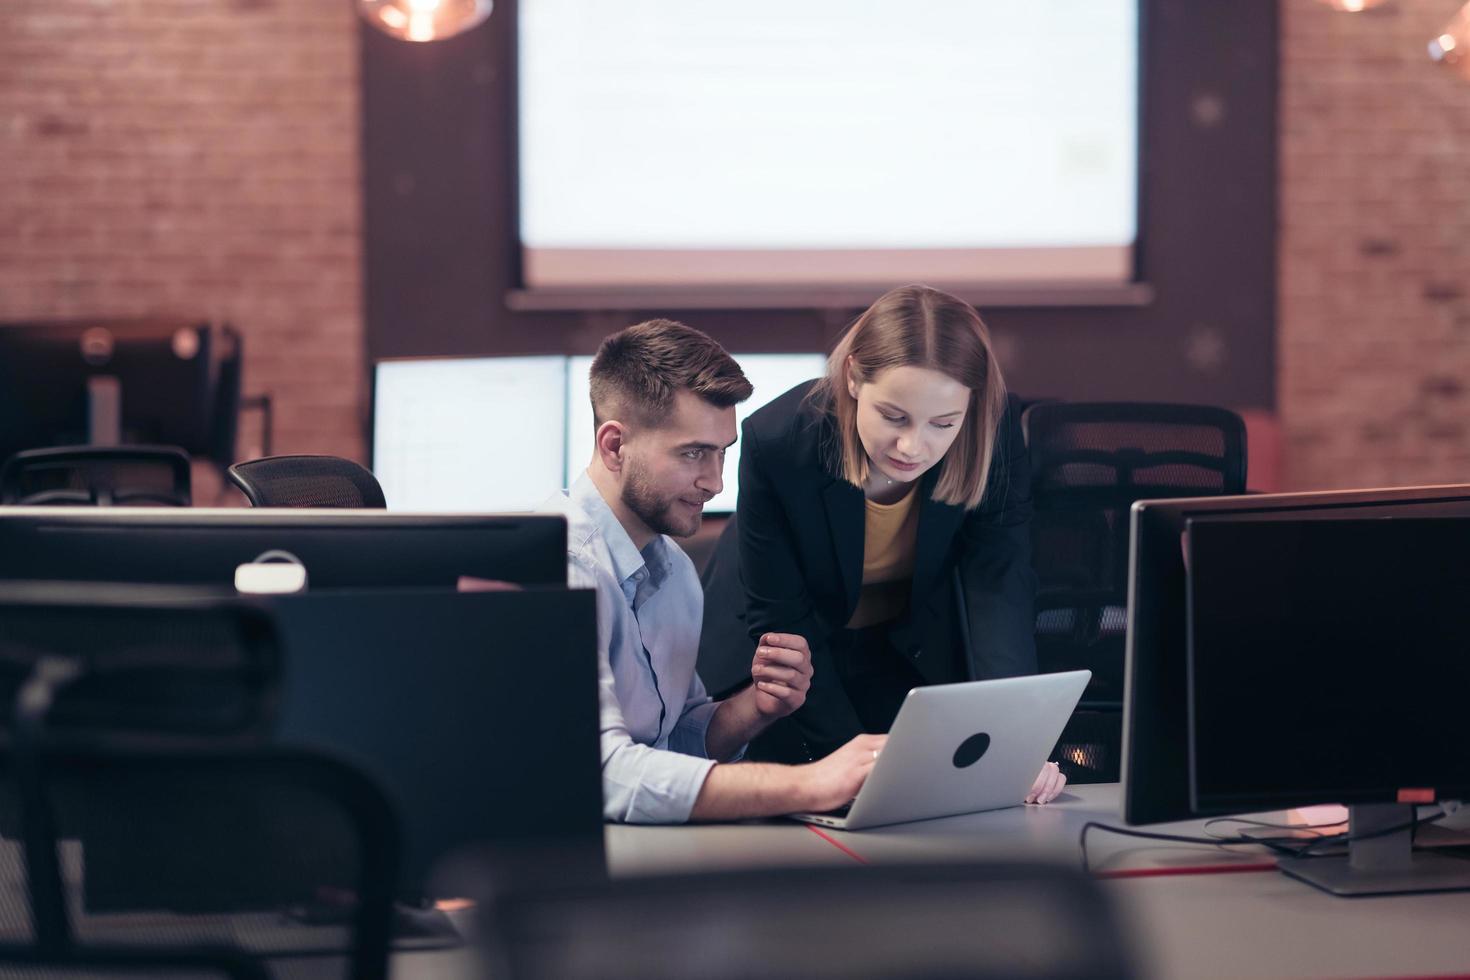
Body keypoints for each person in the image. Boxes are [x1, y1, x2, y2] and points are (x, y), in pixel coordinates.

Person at [726, 284, 1065, 805]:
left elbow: (998, 588)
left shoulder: (992, 432)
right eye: (894, 416)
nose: (914, 447)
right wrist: (842, 765)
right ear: (855, 377)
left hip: (900, 652)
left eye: (943, 424)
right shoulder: (779, 441)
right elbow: (784, 620)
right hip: (790, 670)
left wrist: (1015, 738)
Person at [541, 319, 887, 824]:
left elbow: (676, 737)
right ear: (614, 446)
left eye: (723, 453)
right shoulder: (560, 570)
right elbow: (601, 774)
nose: (716, 483)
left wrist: (757, 707)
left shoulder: (676, 572)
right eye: (693, 454)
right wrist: (811, 782)